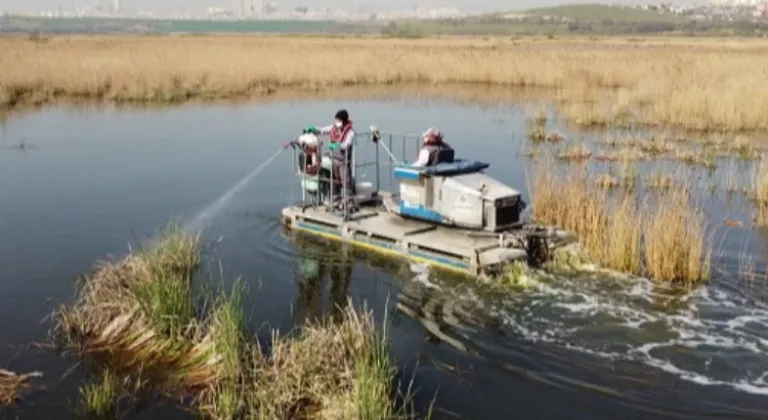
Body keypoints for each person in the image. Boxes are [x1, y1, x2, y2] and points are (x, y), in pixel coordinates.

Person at [305, 109, 356, 209]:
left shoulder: (350, 132)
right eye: (336, 119)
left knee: (345, 180)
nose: (336, 122)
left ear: (344, 120)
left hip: (343, 161)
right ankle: (335, 199)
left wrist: (337, 145)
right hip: (334, 160)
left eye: (338, 120)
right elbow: (322, 130)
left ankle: (348, 201)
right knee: (334, 180)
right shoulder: (334, 128)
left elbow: (346, 144)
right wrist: (313, 129)